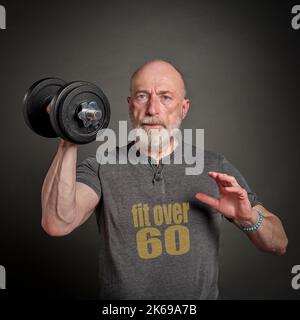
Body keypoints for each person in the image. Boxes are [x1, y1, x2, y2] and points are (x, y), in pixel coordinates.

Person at [41, 59, 288, 300]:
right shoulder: (102, 166)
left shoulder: (215, 167)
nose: (152, 110)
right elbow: (57, 223)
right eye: (142, 96)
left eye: (165, 97)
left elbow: (278, 244)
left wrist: (249, 218)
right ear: (130, 105)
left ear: (184, 108)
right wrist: (68, 137)